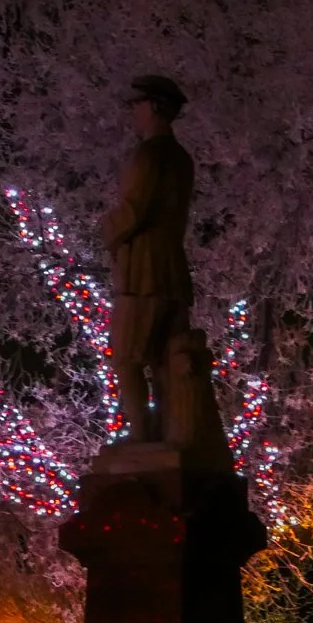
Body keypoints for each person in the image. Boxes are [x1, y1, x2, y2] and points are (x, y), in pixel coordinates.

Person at [99, 75, 195, 441]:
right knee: (165, 363)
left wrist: (105, 230)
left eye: (135, 105)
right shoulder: (181, 158)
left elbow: (134, 210)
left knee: (127, 356)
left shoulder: (149, 154)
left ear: (154, 106)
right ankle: (174, 433)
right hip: (173, 271)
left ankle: (141, 434)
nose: (131, 112)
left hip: (143, 271)